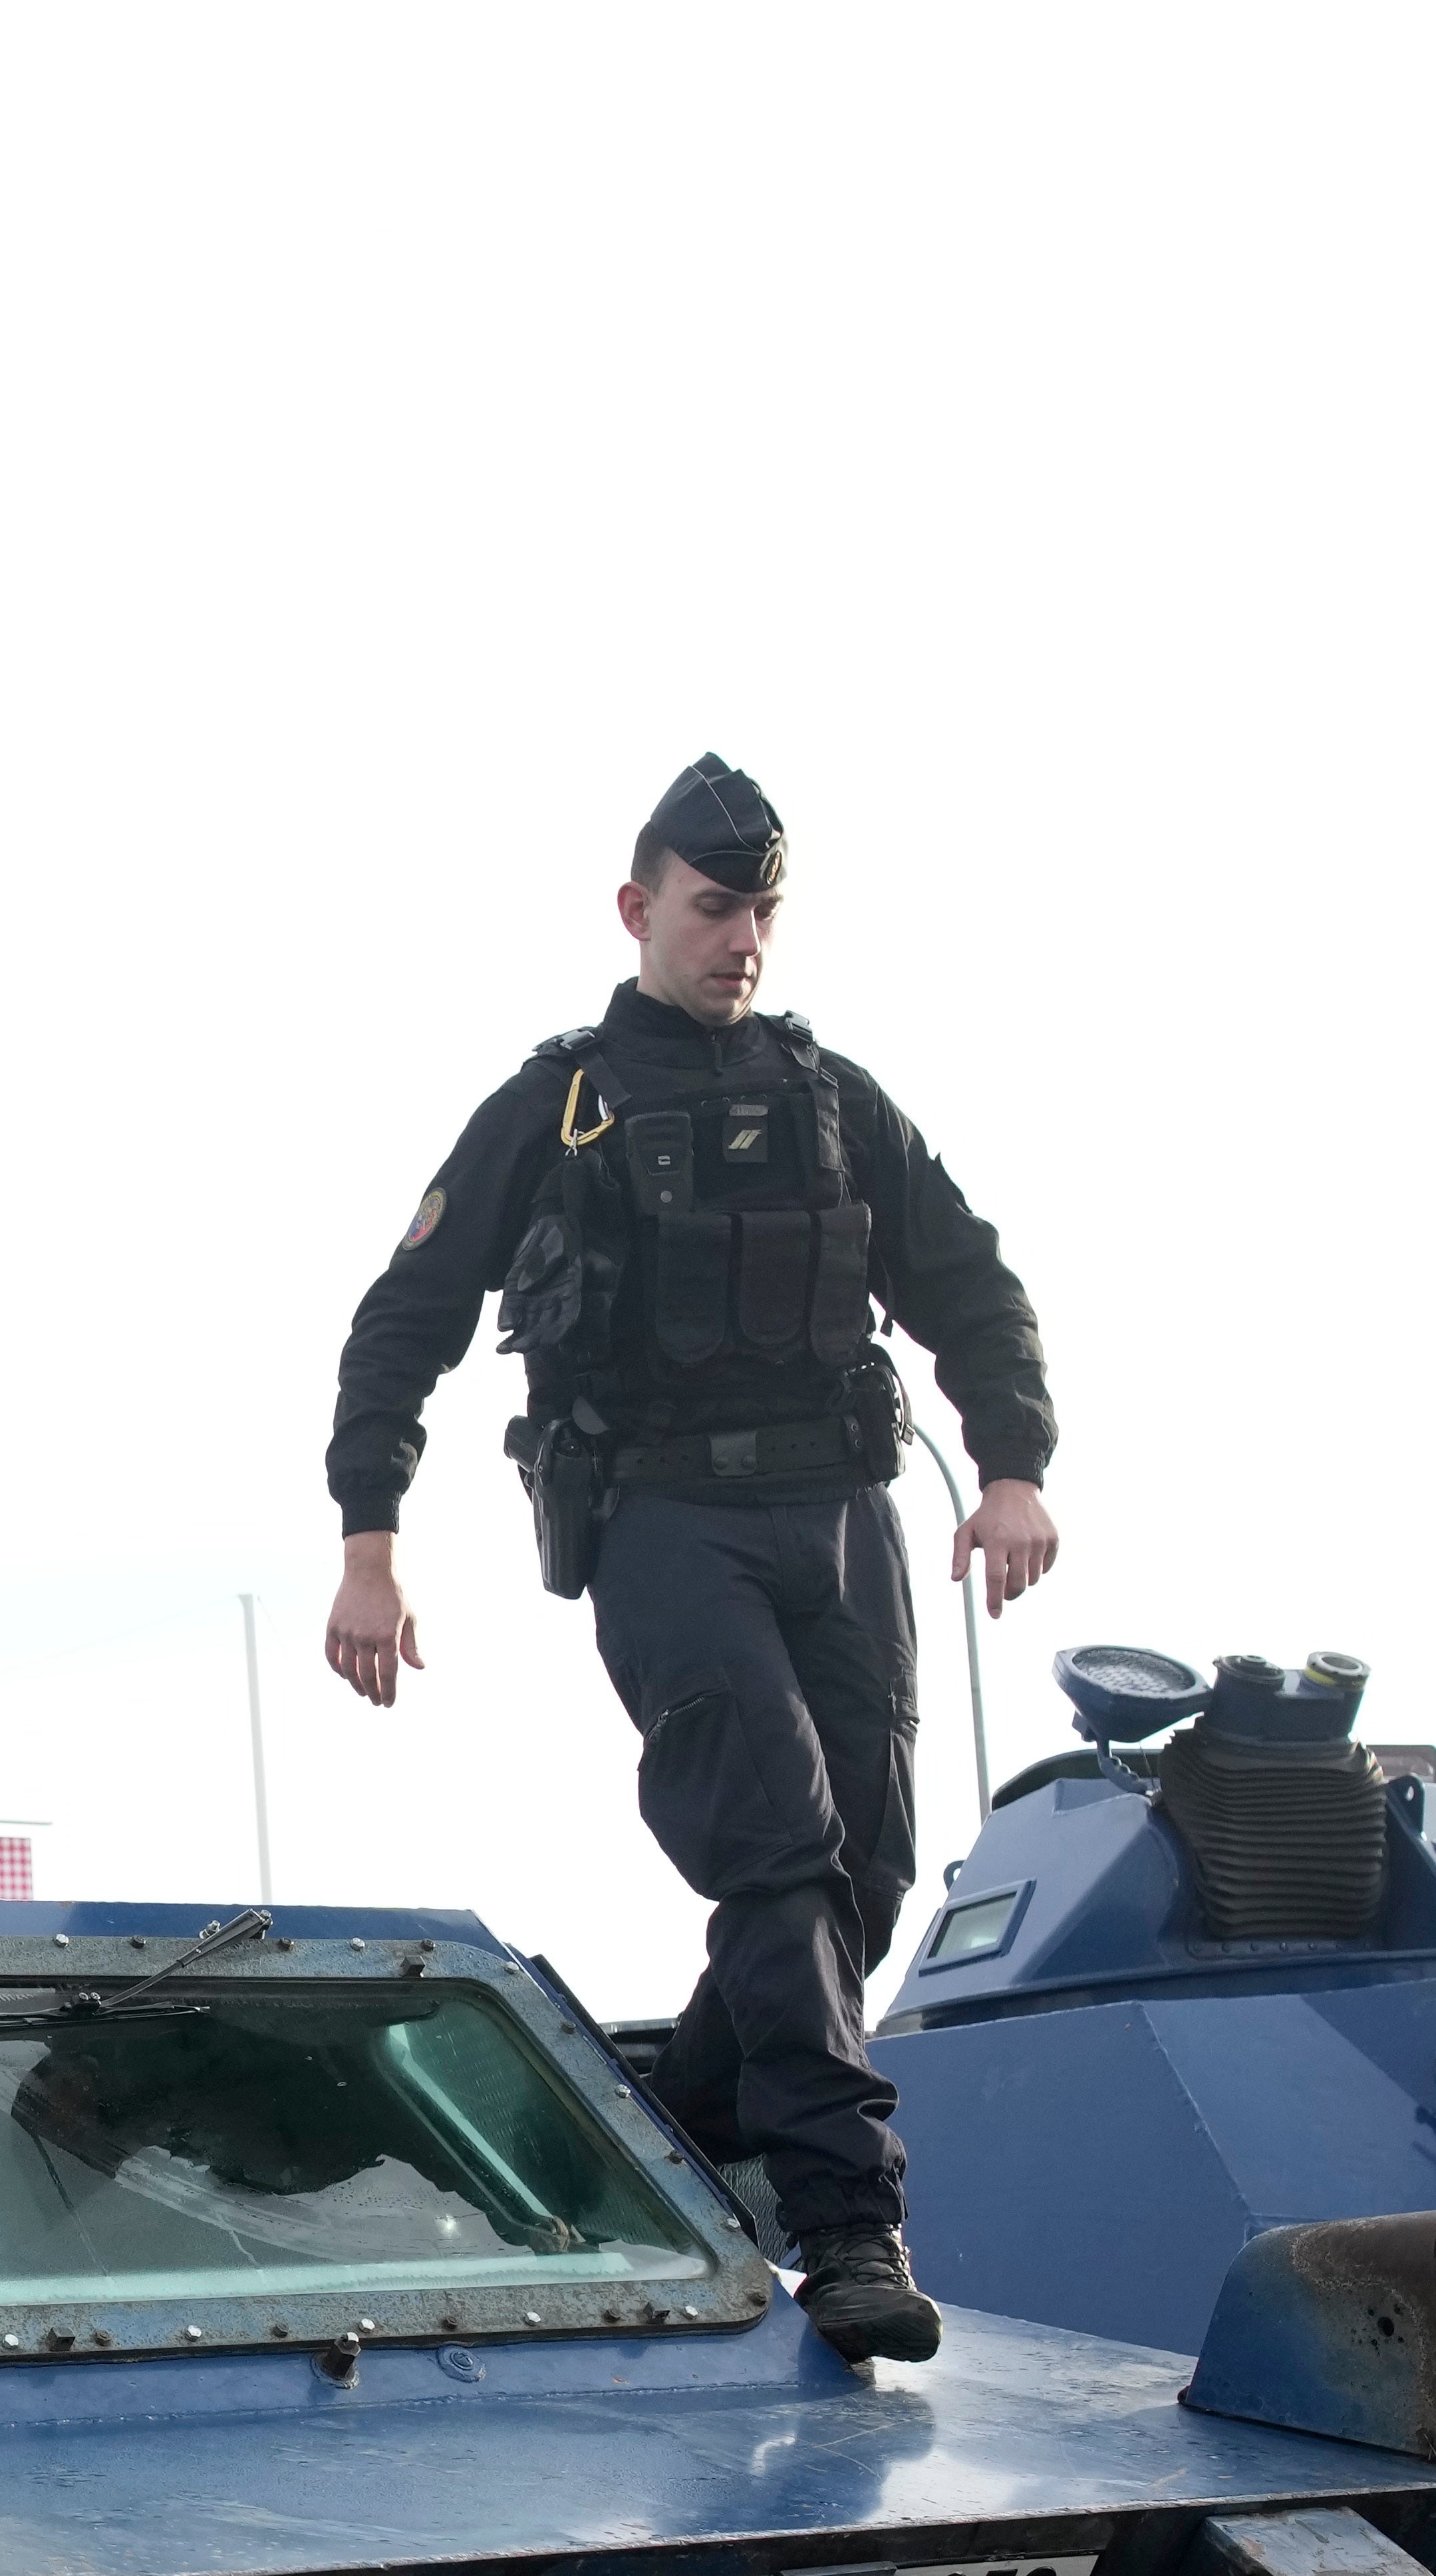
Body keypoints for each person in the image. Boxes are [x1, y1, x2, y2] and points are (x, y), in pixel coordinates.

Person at [319, 754, 1060, 2362]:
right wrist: (371, 1541)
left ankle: (681, 2117)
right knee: (777, 1850)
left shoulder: (834, 1097)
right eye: (716, 908)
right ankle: (849, 2227)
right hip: (664, 1524)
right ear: (637, 908)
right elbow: (405, 1323)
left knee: (866, 1871)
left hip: (842, 1515)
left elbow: (969, 1280)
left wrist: (1012, 1466)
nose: (744, 940)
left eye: (764, 913)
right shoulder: (557, 1105)